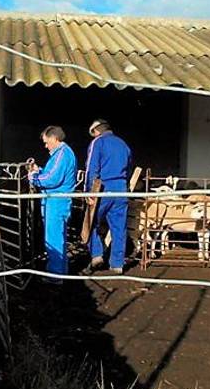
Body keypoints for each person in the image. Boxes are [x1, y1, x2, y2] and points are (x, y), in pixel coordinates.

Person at [83, 119, 132, 274]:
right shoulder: (123, 144)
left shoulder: (98, 143)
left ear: (96, 131)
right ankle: (117, 264)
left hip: (103, 187)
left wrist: (88, 191)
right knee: (119, 227)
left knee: (91, 221)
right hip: (121, 188)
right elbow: (129, 166)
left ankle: (97, 254)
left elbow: (91, 168)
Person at [29, 125, 78, 277]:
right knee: (57, 237)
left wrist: (34, 177)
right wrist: (40, 171)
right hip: (56, 200)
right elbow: (51, 174)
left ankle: (55, 275)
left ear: (54, 138)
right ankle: (60, 272)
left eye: (46, 142)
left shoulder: (62, 154)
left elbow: (52, 179)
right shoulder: (60, 155)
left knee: (54, 239)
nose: (45, 146)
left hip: (56, 201)